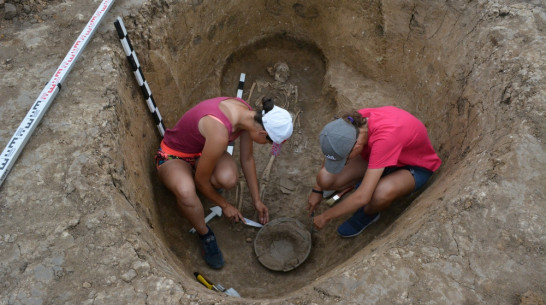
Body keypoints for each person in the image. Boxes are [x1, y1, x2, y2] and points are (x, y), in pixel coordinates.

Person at [156, 96, 293, 268]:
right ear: (262, 134)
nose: (267, 146)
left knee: (228, 178)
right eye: (268, 143)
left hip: (202, 149)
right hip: (175, 155)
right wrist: (225, 205)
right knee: (186, 193)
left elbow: (248, 159)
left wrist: (257, 200)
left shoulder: (247, 115)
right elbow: (201, 181)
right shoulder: (219, 133)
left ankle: (204, 189)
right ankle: (205, 235)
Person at [307, 106, 441, 237]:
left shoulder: (385, 138)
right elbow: (333, 148)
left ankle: (368, 214)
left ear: (356, 147)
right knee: (325, 178)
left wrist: (325, 216)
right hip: (380, 155)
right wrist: (317, 189)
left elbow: (362, 197)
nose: (344, 163)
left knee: (379, 193)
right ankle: (367, 180)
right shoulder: (351, 124)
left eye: (344, 160)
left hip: (413, 166)